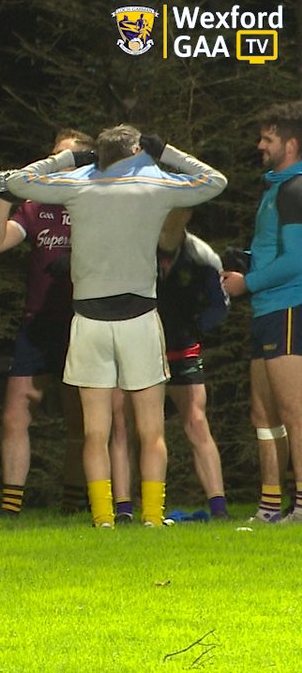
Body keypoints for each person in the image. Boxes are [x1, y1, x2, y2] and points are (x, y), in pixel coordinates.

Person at [3, 125, 227, 527]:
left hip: (89, 321)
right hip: (139, 319)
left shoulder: (79, 185)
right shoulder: (155, 185)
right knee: (150, 430)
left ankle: (105, 518)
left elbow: (17, 181)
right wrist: (168, 151)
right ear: (138, 150)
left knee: (95, 431)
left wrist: (68, 160)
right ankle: (153, 518)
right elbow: (214, 181)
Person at [0, 130, 91, 517]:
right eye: (54, 155)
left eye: (67, 157)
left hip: (81, 321)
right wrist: (6, 195)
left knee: (78, 418)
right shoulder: (36, 206)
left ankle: (73, 503)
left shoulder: (95, 203)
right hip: (37, 322)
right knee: (15, 412)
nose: (58, 163)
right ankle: (10, 506)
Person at [111, 209, 229, 520]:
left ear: (186, 215)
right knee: (123, 425)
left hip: (181, 348)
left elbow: (220, 305)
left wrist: (198, 325)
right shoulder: (134, 250)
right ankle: (123, 510)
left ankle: (219, 509)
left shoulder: (202, 255)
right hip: (138, 348)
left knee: (196, 421)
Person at [222, 101, 302, 524]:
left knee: (294, 413)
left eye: (267, 139)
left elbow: (297, 261)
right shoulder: (275, 189)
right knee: (264, 414)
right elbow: (276, 252)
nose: (259, 146)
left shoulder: (295, 189)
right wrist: (248, 261)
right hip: (267, 310)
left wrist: (246, 283)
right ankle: (270, 507)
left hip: (290, 307)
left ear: (290, 143)